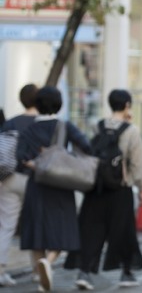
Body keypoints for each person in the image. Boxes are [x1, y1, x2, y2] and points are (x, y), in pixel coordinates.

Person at [66, 89, 142, 290]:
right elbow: (137, 163)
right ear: (128, 105)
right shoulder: (131, 130)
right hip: (121, 188)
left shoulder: (98, 125)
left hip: (97, 187)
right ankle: (126, 273)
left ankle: (85, 271)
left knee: (90, 229)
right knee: (123, 230)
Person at [16, 86, 92, 292]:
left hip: (37, 184)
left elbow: (20, 157)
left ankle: (42, 271)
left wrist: (37, 163)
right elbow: (86, 146)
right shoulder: (64, 126)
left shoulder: (30, 129)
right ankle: (48, 263)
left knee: (36, 229)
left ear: (37, 105)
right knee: (62, 228)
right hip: (61, 184)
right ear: (59, 104)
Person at [0, 84, 39, 286]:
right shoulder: (44, 124)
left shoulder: (11, 123)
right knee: (36, 225)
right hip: (35, 180)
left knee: (6, 226)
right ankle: (37, 271)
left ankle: (0, 270)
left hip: (9, 178)